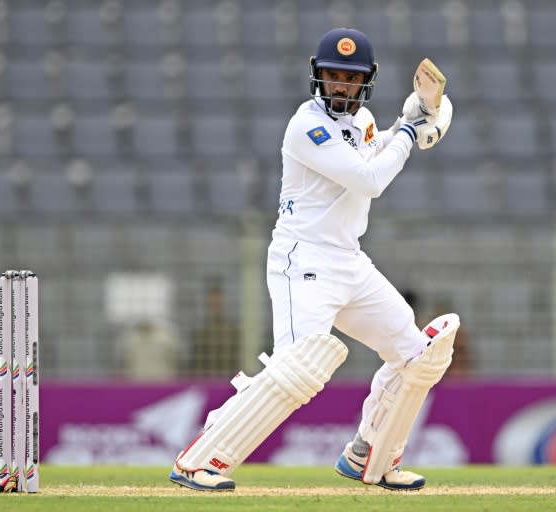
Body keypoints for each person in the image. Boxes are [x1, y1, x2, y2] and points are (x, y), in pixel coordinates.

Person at [169, 27, 457, 492]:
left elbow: (372, 148)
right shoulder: (307, 125)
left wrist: (415, 119)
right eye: (332, 75)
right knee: (297, 369)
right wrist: (410, 129)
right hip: (303, 260)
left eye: (351, 76)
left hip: (349, 260)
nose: (341, 84)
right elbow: (370, 180)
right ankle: (201, 459)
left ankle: (370, 454)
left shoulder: (361, 122)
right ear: (317, 76)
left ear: (367, 80)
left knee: (415, 356)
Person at [188, 277, 241, 377]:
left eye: (218, 297)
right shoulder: (200, 332)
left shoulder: (234, 331)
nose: (215, 301)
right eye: (212, 298)